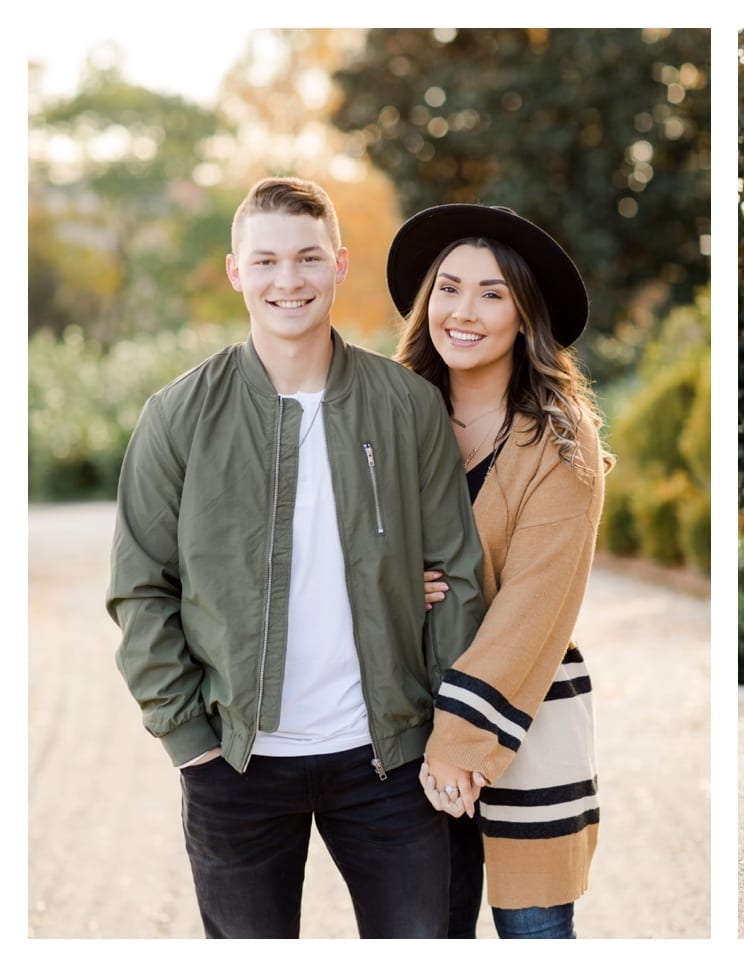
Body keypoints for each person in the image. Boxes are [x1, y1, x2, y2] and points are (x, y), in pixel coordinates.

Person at [106, 176, 487, 938]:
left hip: (388, 761)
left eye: (308, 258)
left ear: (340, 265)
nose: (289, 281)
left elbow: (461, 572)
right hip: (236, 767)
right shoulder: (178, 416)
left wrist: (449, 730)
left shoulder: (405, 404)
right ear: (235, 270)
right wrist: (192, 741)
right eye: (268, 260)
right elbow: (140, 588)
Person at [388, 203, 611, 939]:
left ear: (524, 316)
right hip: (405, 724)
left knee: (536, 934)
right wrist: (390, 583)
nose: (464, 310)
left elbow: (536, 602)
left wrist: (460, 740)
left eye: (492, 293)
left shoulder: (559, 434)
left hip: (526, 718)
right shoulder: (387, 418)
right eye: (449, 288)